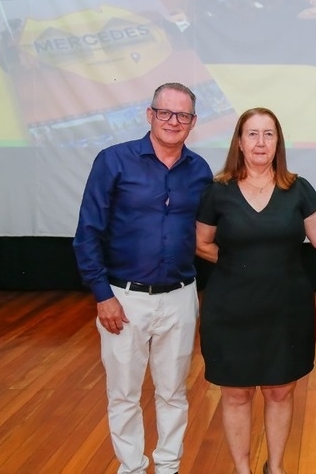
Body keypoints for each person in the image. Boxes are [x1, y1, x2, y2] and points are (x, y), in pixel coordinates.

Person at [195, 107, 316, 474]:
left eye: (268, 134)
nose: (260, 142)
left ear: (278, 142)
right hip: (230, 310)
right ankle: (242, 469)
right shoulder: (218, 191)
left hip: (286, 310)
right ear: (239, 142)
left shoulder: (297, 188)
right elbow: (201, 243)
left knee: (280, 391)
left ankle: (276, 468)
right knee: (236, 393)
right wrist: (242, 265)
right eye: (252, 134)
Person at [73, 82, 212, 474]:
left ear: (193, 122)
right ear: (150, 114)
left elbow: (208, 233)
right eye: (165, 112)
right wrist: (103, 295)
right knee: (123, 394)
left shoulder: (200, 171)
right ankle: (131, 468)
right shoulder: (113, 161)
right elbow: (87, 233)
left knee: (174, 391)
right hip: (123, 299)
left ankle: (168, 467)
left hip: (181, 296)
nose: (173, 121)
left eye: (182, 115)